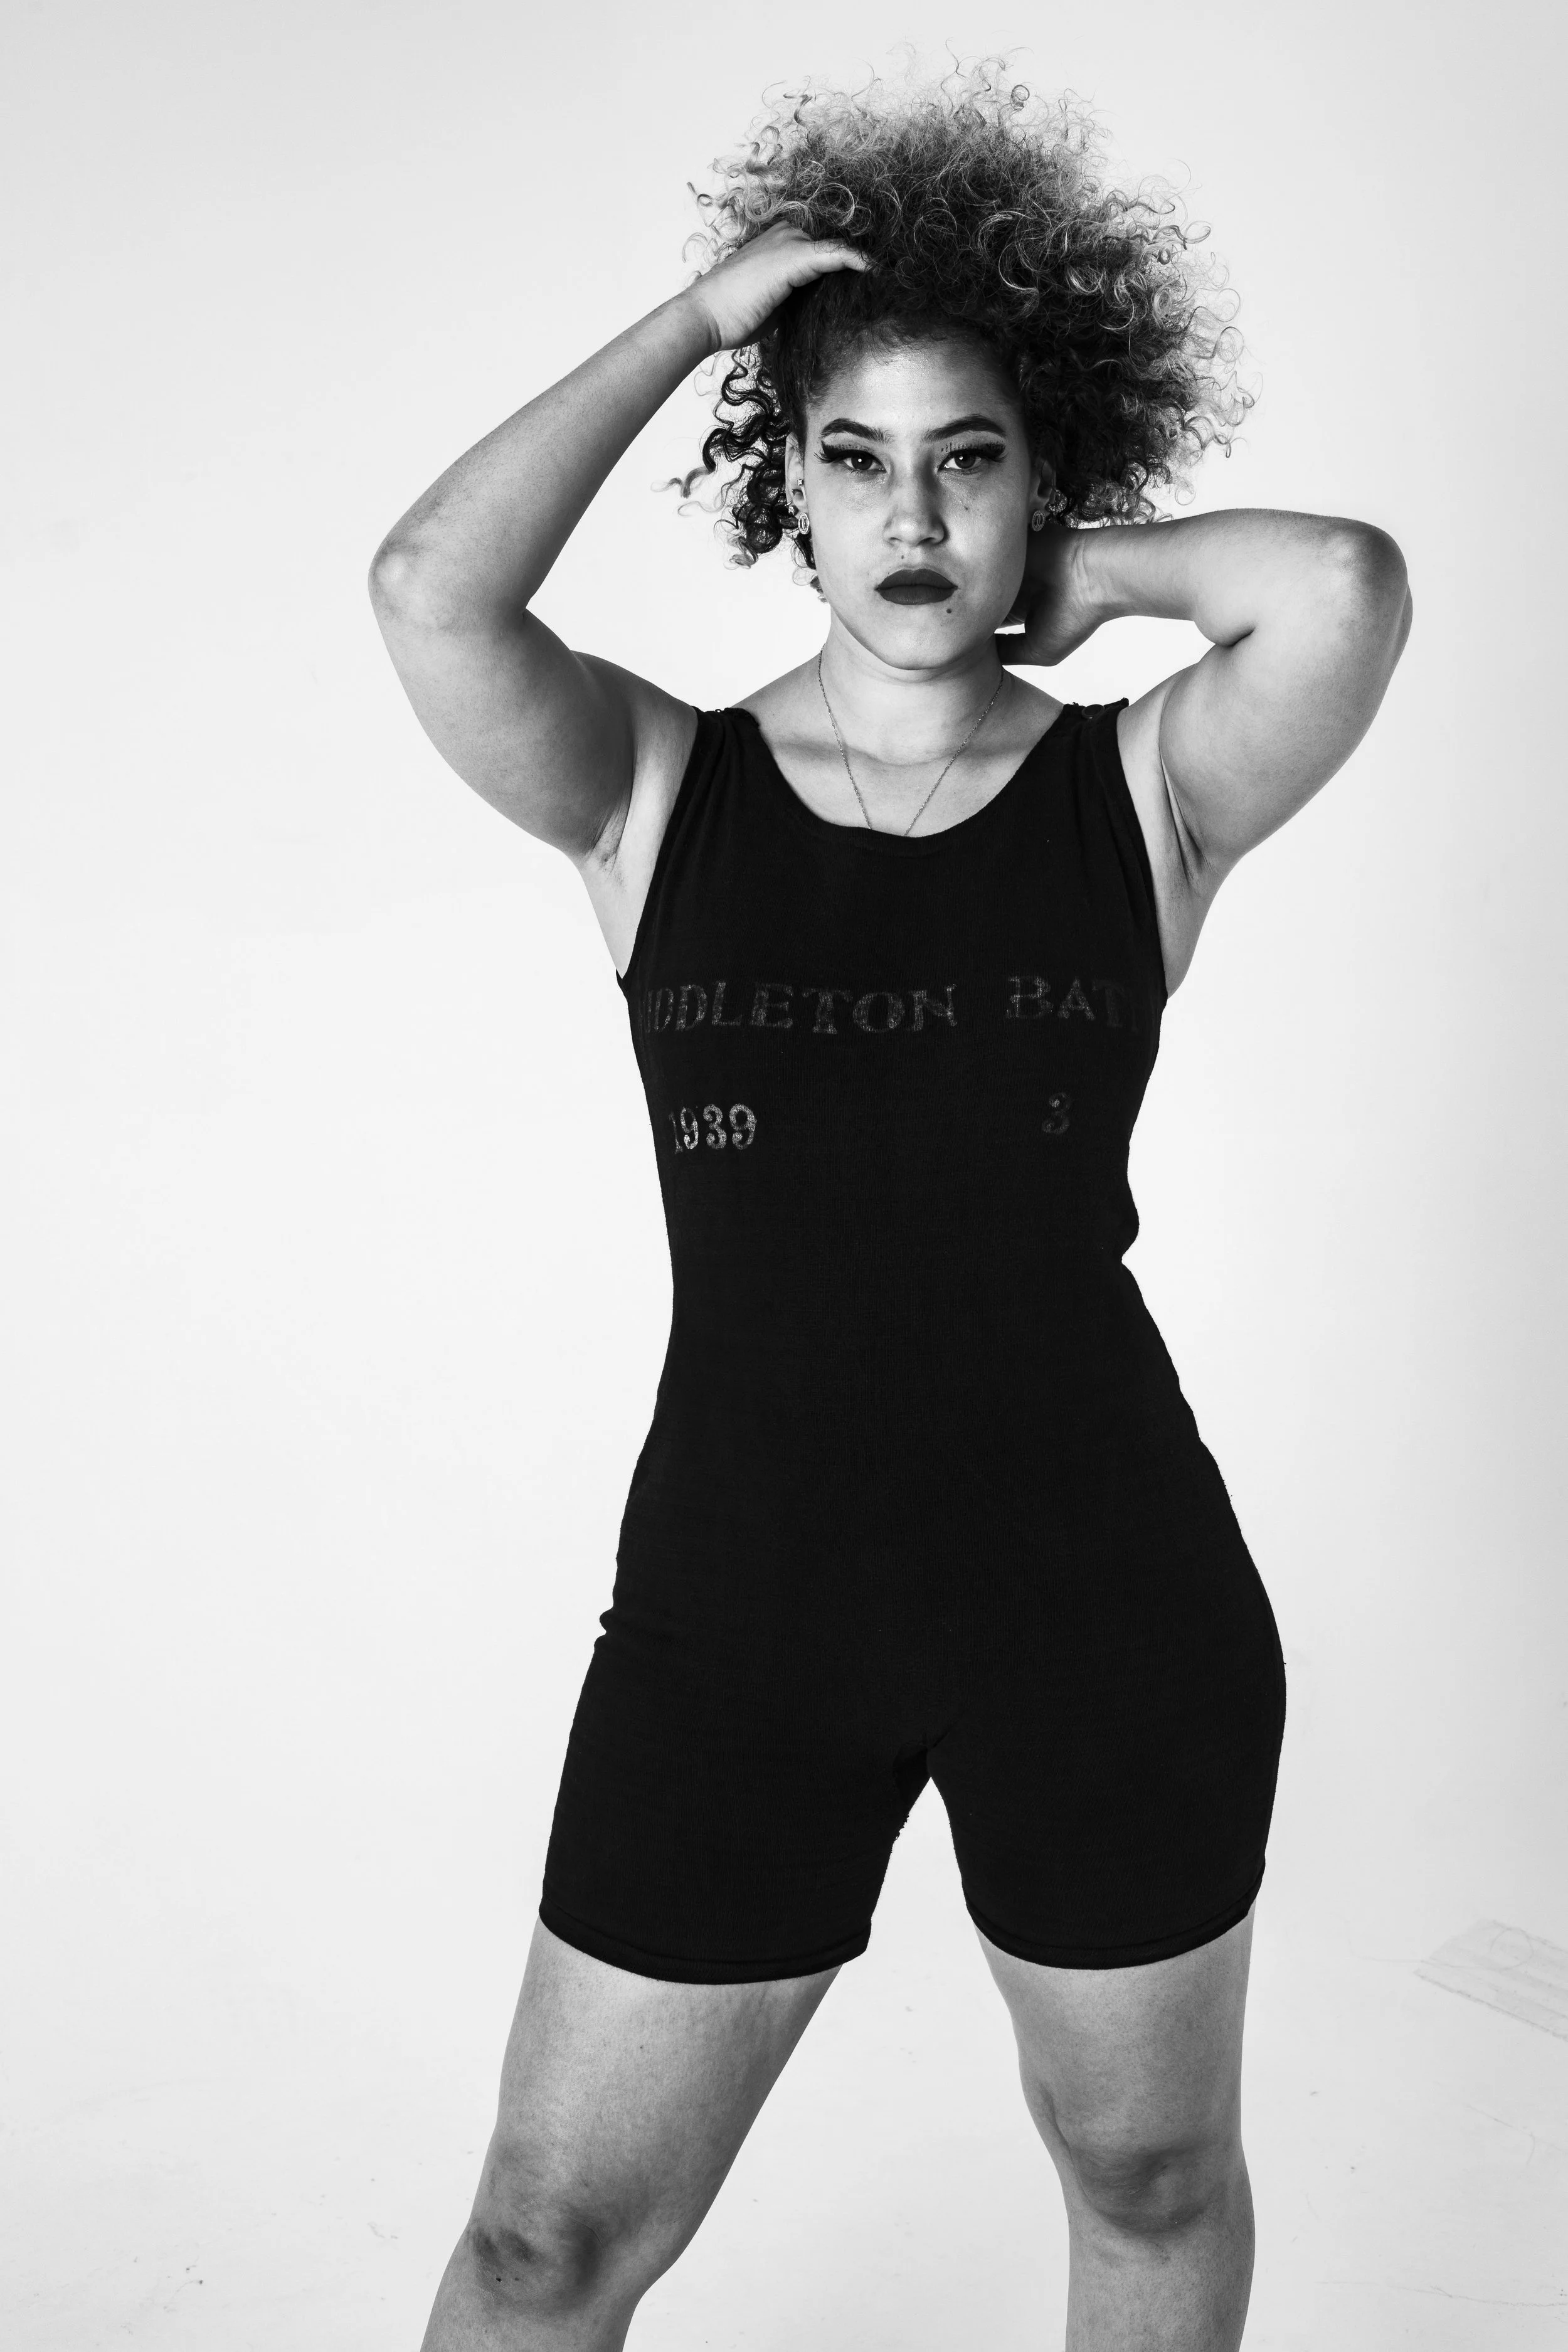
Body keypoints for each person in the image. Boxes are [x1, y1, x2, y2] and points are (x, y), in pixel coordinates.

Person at [368, 64, 1411, 2352]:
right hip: (743, 1612)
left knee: (1147, 2177)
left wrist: (1086, 582)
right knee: (543, 2241)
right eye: (853, 458)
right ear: (789, 486)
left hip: (1100, 1599)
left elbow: (1337, 585)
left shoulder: (1144, 792)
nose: (911, 515)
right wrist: (698, 323)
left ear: (1041, 476)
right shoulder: (658, 790)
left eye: (969, 460)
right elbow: (433, 587)